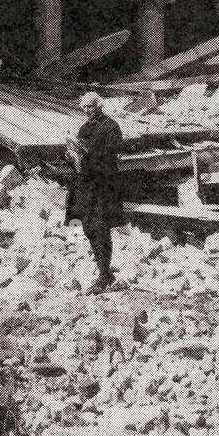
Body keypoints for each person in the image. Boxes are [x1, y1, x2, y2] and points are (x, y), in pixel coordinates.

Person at [65, 91, 124, 294]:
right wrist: (71, 154)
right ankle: (97, 267)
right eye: (84, 108)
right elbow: (78, 158)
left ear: (99, 105)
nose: (87, 110)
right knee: (84, 226)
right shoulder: (85, 127)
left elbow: (111, 155)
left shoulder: (111, 126)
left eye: (90, 106)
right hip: (85, 184)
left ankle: (104, 274)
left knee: (100, 227)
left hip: (102, 185)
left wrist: (87, 154)